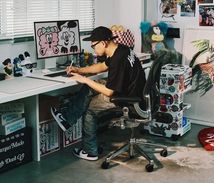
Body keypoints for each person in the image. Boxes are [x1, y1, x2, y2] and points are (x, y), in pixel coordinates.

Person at [51, 26, 146, 161]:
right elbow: (102, 66)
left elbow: (109, 91)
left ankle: (90, 151)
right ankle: (67, 118)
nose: (93, 50)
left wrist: (84, 80)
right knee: (93, 85)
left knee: (90, 109)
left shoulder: (119, 60)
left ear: (103, 43)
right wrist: (80, 70)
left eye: (94, 46)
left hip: (129, 100)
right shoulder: (121, 50)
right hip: (133, 92)